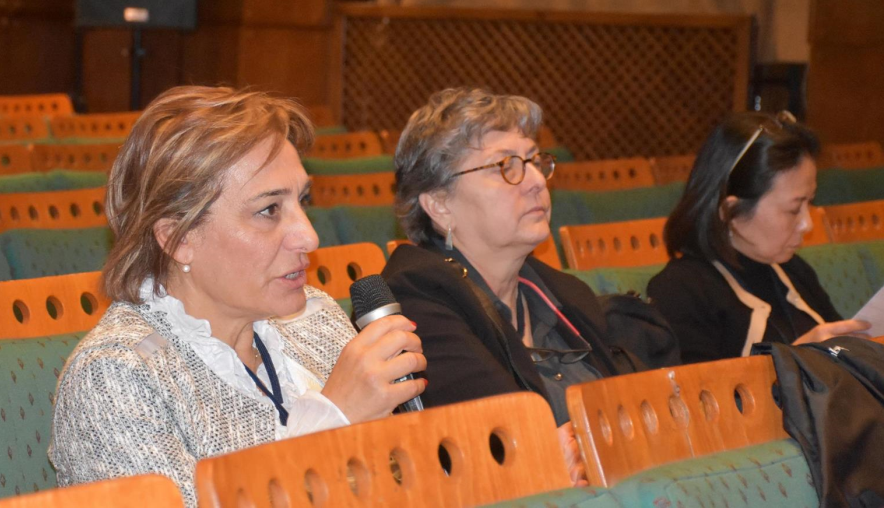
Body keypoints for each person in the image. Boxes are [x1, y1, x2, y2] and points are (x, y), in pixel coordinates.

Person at [48, 86, 425, 507]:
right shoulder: (116, 376)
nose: (309, 236)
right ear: (178, 238)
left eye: (302, 201)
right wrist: (331, 420)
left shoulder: (316, 318)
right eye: (269, 210)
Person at [383, 87, 642, 487]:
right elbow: (506, 452)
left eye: (535, 162)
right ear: (439, 204)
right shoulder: (416, 299)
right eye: (506, 166)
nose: (536, 181)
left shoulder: (566, 293)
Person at [647, 111, 869, 364]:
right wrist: (794, 361)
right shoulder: (680, 291)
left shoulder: (794, 270)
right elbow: (694, 388)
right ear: (731, 211)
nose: (807, 224)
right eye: (793, 209)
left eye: (810, 202)